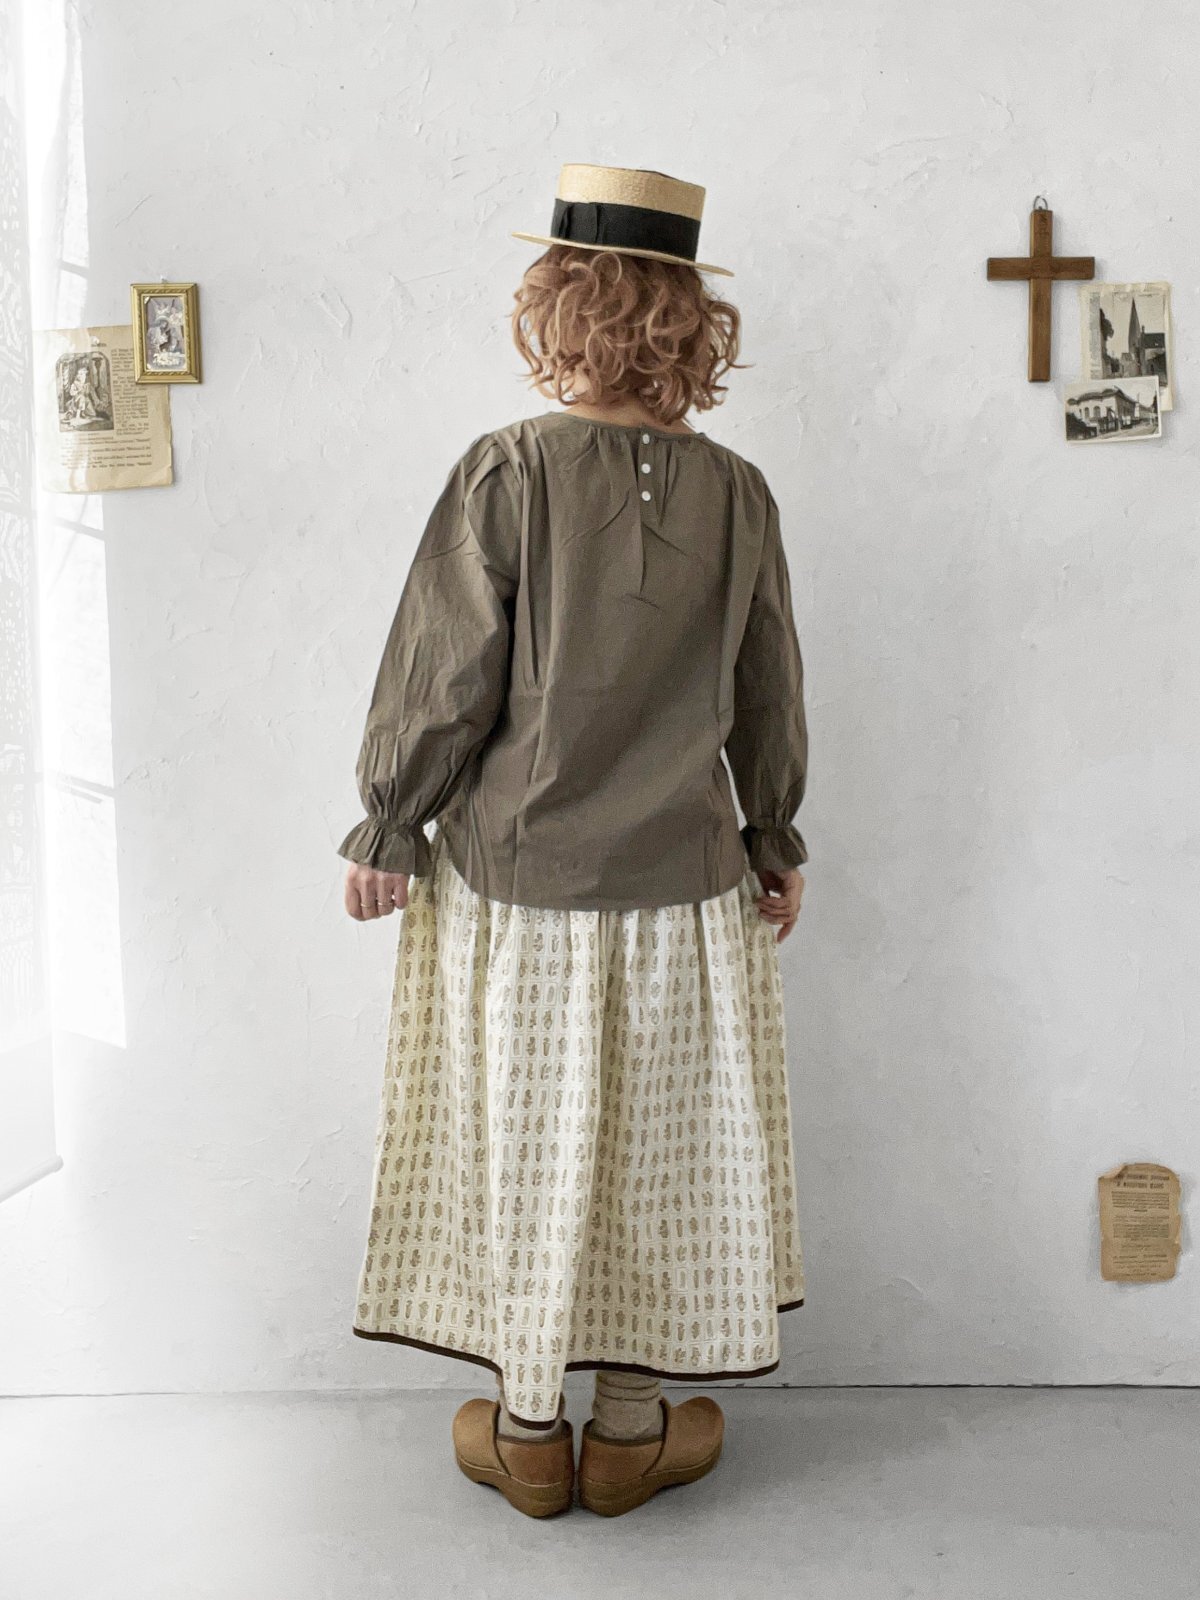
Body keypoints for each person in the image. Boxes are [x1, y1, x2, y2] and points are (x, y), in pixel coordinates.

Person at [337, 162, 809, 1519]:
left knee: (527, 1149)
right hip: (685, 891)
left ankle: (527, 1433)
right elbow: (769, 687)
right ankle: (632, 1433)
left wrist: (389, 822)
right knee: (653, 1158)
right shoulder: (741, 494)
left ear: (556, 308)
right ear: (690, 324)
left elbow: (443, 671)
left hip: (515, 891)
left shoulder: (507, 469)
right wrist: (773, 834)